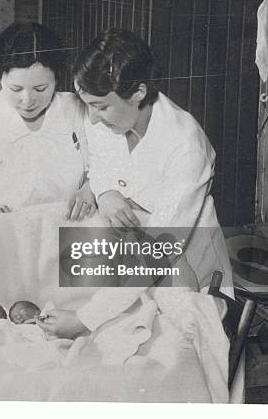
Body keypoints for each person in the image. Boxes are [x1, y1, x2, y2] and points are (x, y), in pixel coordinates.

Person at [37, 28, 232, 339]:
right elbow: (99, 163)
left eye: (100, 106)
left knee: (176, 335)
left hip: (181, 262)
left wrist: (84, 320)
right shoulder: (105, 115)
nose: (93, 118)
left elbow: (160, 248)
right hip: (133, 255)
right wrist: (106, 191)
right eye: (87, 105)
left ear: (139, 92)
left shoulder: (184, 145)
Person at [0, 22, 95, 219]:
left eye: (40, 89)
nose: (28, 101)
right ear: (0, 78)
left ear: (56, 79)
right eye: (16, 89)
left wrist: (90, 188)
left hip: (71, 222)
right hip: (10, 227)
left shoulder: (76, 109)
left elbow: (99, 165)